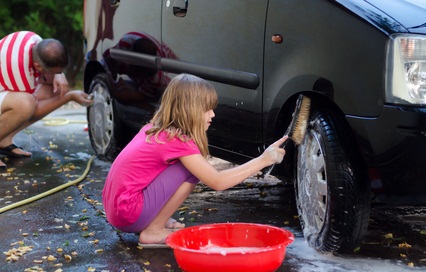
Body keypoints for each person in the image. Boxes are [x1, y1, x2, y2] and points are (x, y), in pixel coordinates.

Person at [102, 73, 287, 246]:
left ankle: (156, 220)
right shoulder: (177, 141)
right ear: (190, 109)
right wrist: (263, 160)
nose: (212, 114)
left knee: (185, 166)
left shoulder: (155, 129)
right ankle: (154, 230)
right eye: (207, 109)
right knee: (190, 170)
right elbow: (217, 182)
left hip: (116, 210)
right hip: (128, 215)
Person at [0, 31, 93, 170]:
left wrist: (59, 74)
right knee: (25, 105)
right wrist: (69, 97)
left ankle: (3, 140)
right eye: (54, 71)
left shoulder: (34, 39)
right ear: (38, 65)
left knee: (53, 89)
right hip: (10, 78)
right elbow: (34, 110)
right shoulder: (21, 76)